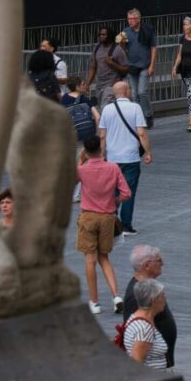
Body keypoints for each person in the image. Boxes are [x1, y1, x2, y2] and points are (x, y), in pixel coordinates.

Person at [76, 135, 129, 315]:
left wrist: (80, 160)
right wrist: (115, 200)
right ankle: (116, 296)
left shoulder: (82, 170)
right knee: (104, 257)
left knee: (90, 260)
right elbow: (126, 193)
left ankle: (95, 302)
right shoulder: (113, 168)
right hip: (107, 217)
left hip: (88, 216)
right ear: (101, 148)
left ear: (85, 149)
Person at [98, 81, 152, 235]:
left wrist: (102, 155)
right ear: (127, 91)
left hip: (112, 157)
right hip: (130, 157)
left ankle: (111, 222)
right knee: (128, 191)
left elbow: (102, 135)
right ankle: (126, 225)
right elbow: (141, 132)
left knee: (113, 191)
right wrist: (148, 152)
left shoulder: (107, 109)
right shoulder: (135, 108)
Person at [122, 245, 177, 367]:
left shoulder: (147, 288)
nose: (162, 263)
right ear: (146, 265)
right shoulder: (136, 294)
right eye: (159, 260)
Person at [121, 278, 170, 369]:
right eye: (162, 296)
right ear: (153, 300)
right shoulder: (144, 329)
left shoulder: (135, 317)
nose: (165, 299)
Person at [123, 9, 157, 129]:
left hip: (144, 65)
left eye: (133, 19)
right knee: (134, 94)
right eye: (129, 19)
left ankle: (148, 115)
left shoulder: (147, 30)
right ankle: (138, 118)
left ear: (138, 19)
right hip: (131, 66)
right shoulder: (126, 31)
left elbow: (153, 48)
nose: (130, 21)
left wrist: (152, 65)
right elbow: (123, 49)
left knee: (142, 92)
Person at [85, 26, 129, 111]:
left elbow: (126, 69)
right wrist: (87, 84)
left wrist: (112, 63)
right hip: (99, 85)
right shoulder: (96, 48)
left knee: (105, 109)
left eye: (104, 35)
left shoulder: (117, 49)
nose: (101, 36)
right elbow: (93, 68)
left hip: (112, 85)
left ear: (110, 36)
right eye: (100, 34)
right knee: (103, 109)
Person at [62, 76, 99, 144]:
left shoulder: (64, 99)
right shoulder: (85, 99)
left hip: (72, 137)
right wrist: (97, 133)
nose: (85, 86)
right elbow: (97, 116)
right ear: (77, 87)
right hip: (88, 136)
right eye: (83, 84)